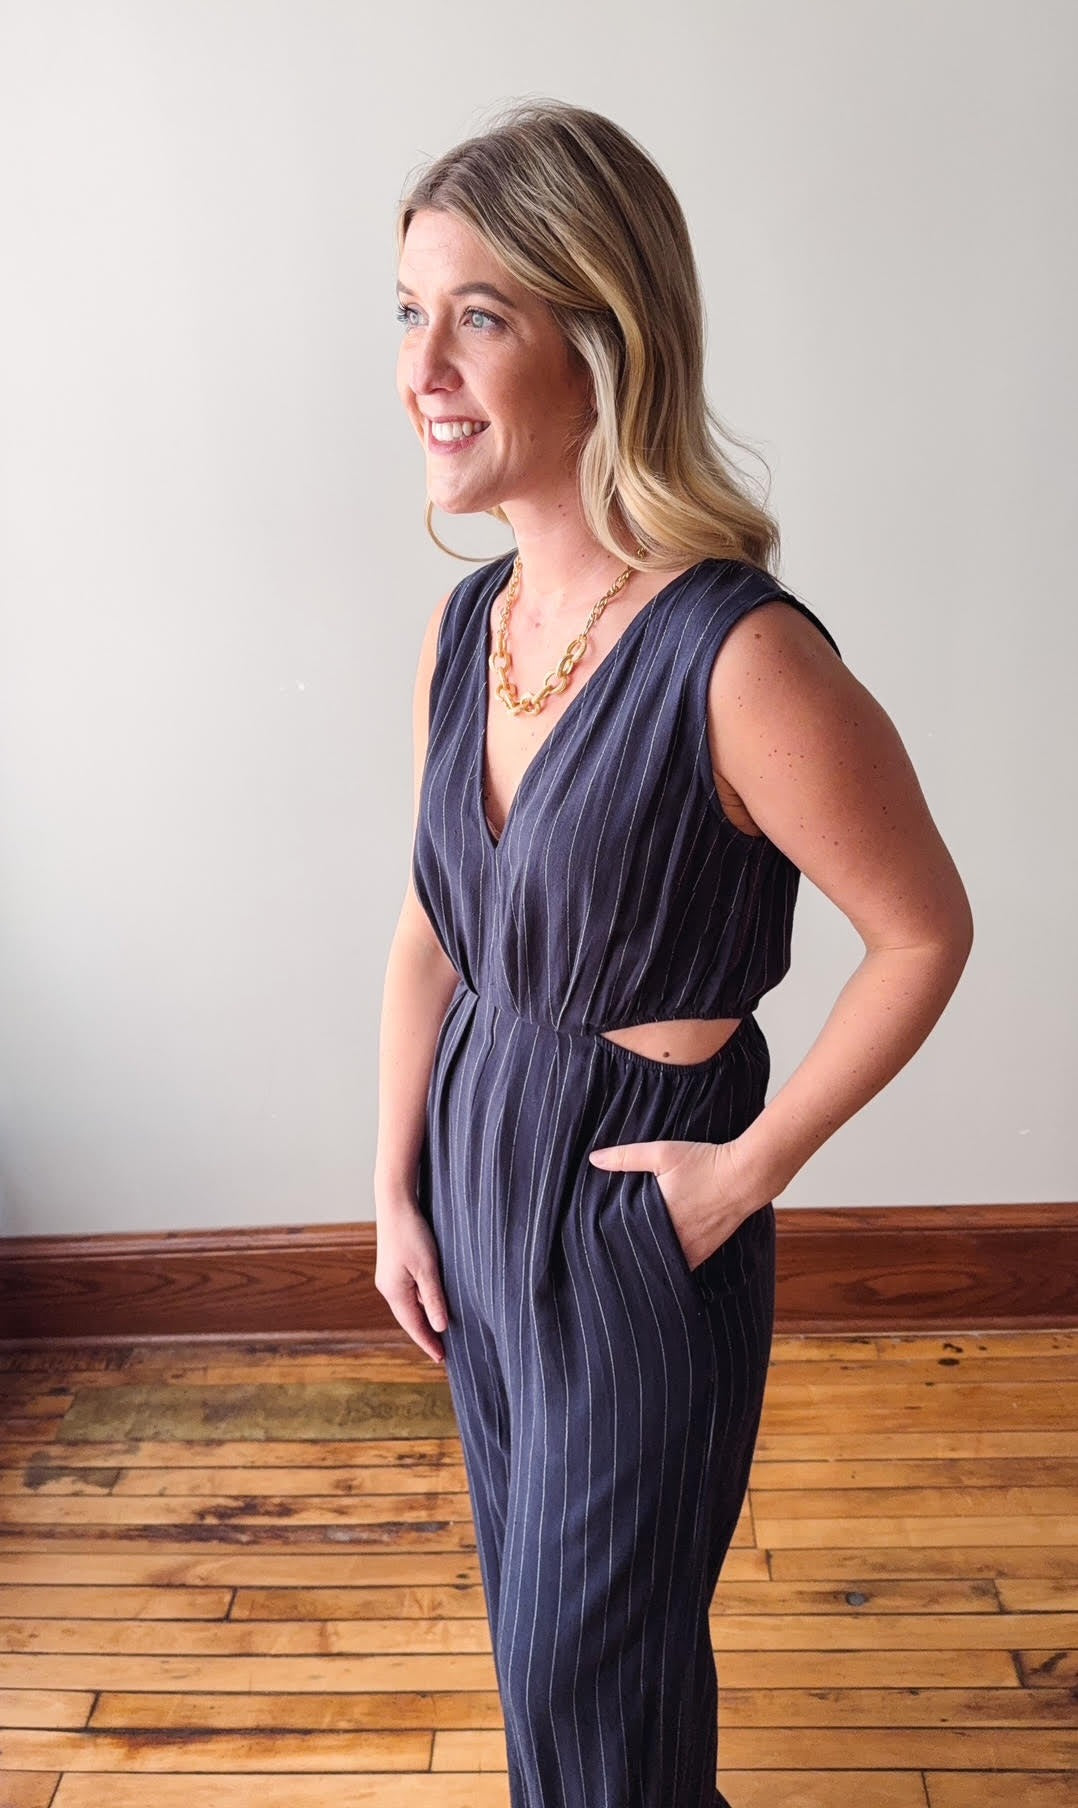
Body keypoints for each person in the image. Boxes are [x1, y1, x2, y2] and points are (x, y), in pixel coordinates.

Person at [374, 98, 973, 1808]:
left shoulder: (738, 656)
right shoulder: (470, 627)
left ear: (603, 337)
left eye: (478, 316)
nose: (423, 369)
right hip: (477, 1160)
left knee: (598, 1677)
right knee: (543, 1654)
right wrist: (394, 1177)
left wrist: (741, 1176)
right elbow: (432, 922)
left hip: (630, 1193)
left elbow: (921, 932)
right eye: (407, 312)